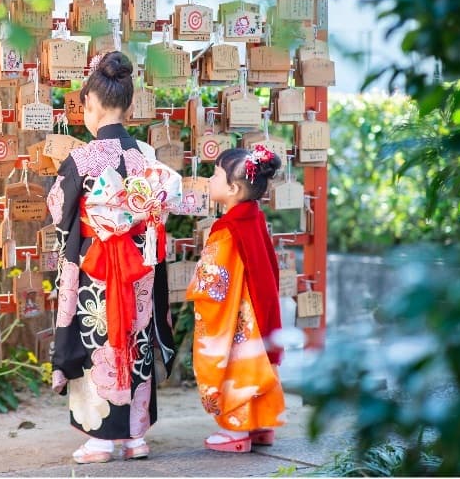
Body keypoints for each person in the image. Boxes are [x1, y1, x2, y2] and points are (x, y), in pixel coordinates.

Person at [46, 51, 180, 464]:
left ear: (90, 103)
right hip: (138, 263)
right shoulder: (145, 155)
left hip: (95, 267)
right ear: (129, 104)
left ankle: (101, 440)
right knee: (134, 339)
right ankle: (135, 436)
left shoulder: (82, 159)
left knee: (96, 339)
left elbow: (59, 211)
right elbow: (158, 207)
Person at [186, 144, 286, 453]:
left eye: (215, 175)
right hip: (259, 305)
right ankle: (260, 426)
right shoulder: (253, 217)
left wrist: (197, 282)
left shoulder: (227, 228)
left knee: (234, 361)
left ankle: (235, 431)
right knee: (257, 361)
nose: (210, 180)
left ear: (233, 188)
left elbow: (214, 282)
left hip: (239, 314)